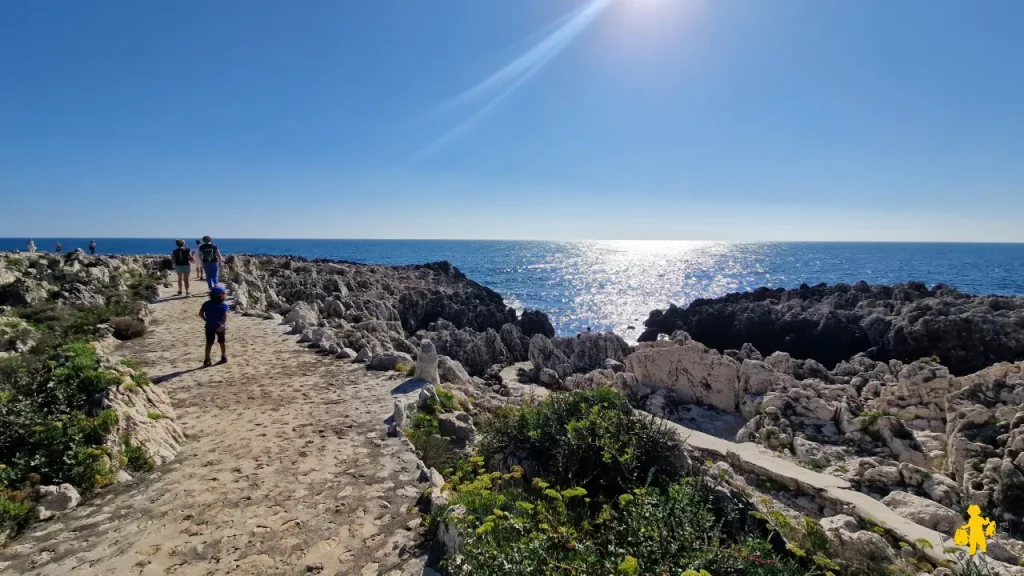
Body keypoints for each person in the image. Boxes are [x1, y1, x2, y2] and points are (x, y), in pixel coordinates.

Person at [199, 286, 229, 366]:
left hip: (209, 326)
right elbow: (225, 316)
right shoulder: (223, 305)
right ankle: (223, 356)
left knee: (209, 343)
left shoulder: (206, 304)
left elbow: (200, 314)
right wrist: (222, 324)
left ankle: (207, 359)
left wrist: (206, 320)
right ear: (220, 296)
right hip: (220, 327)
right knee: (222, 342)